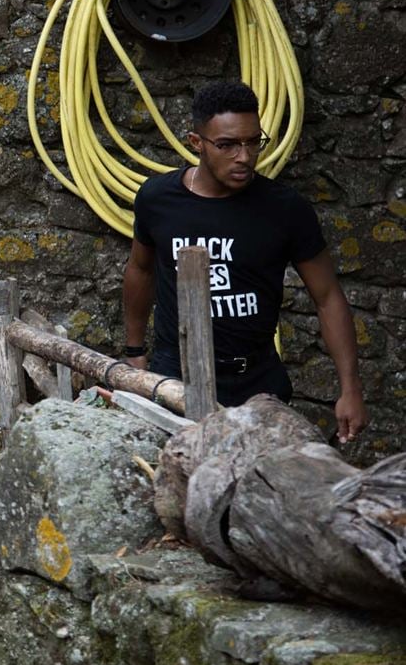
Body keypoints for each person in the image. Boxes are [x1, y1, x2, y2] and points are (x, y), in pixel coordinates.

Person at [122, 80, 368, 441]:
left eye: (253, 142)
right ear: (196, 143)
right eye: (227, 145)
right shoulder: (158, 199)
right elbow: (139, 269)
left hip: (256, 384)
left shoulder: (285, 209)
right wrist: (134, 352)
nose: (244, 156)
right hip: (174, 377)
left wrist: (350, 388)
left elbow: (328, 296)